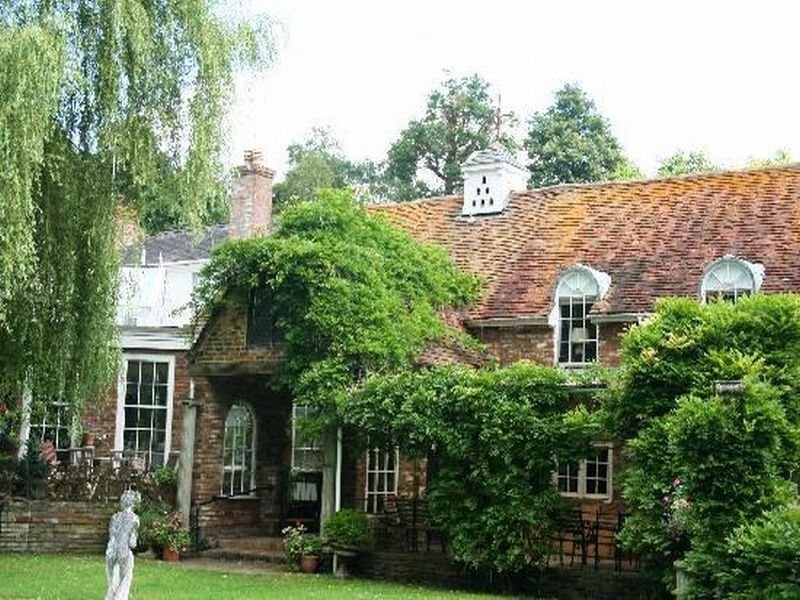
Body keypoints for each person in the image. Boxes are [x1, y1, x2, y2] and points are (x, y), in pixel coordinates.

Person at [105, 489, 140, 600]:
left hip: (110, 551)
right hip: (124, 551)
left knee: (112, 580)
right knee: (125, 578)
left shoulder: (114, 517)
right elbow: (132, 543)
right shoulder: (135, 519)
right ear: (133, 503)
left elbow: (112, 536)